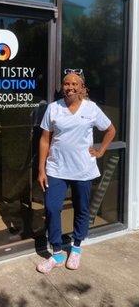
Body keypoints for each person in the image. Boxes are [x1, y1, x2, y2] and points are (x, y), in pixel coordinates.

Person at [36, 69, 116, 274]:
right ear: (63, 87)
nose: (70, 87)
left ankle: (77, 247)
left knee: (81, 209)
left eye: (74, 84)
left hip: (83, 170)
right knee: (52, 208)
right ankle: (56, 252)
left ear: (82, 88)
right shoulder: (54, 108)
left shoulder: (91, 109)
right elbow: (45, 139)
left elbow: (110, 130)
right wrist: (41, 169)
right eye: (66, 84)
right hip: (56, 168)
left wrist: (100, 151)